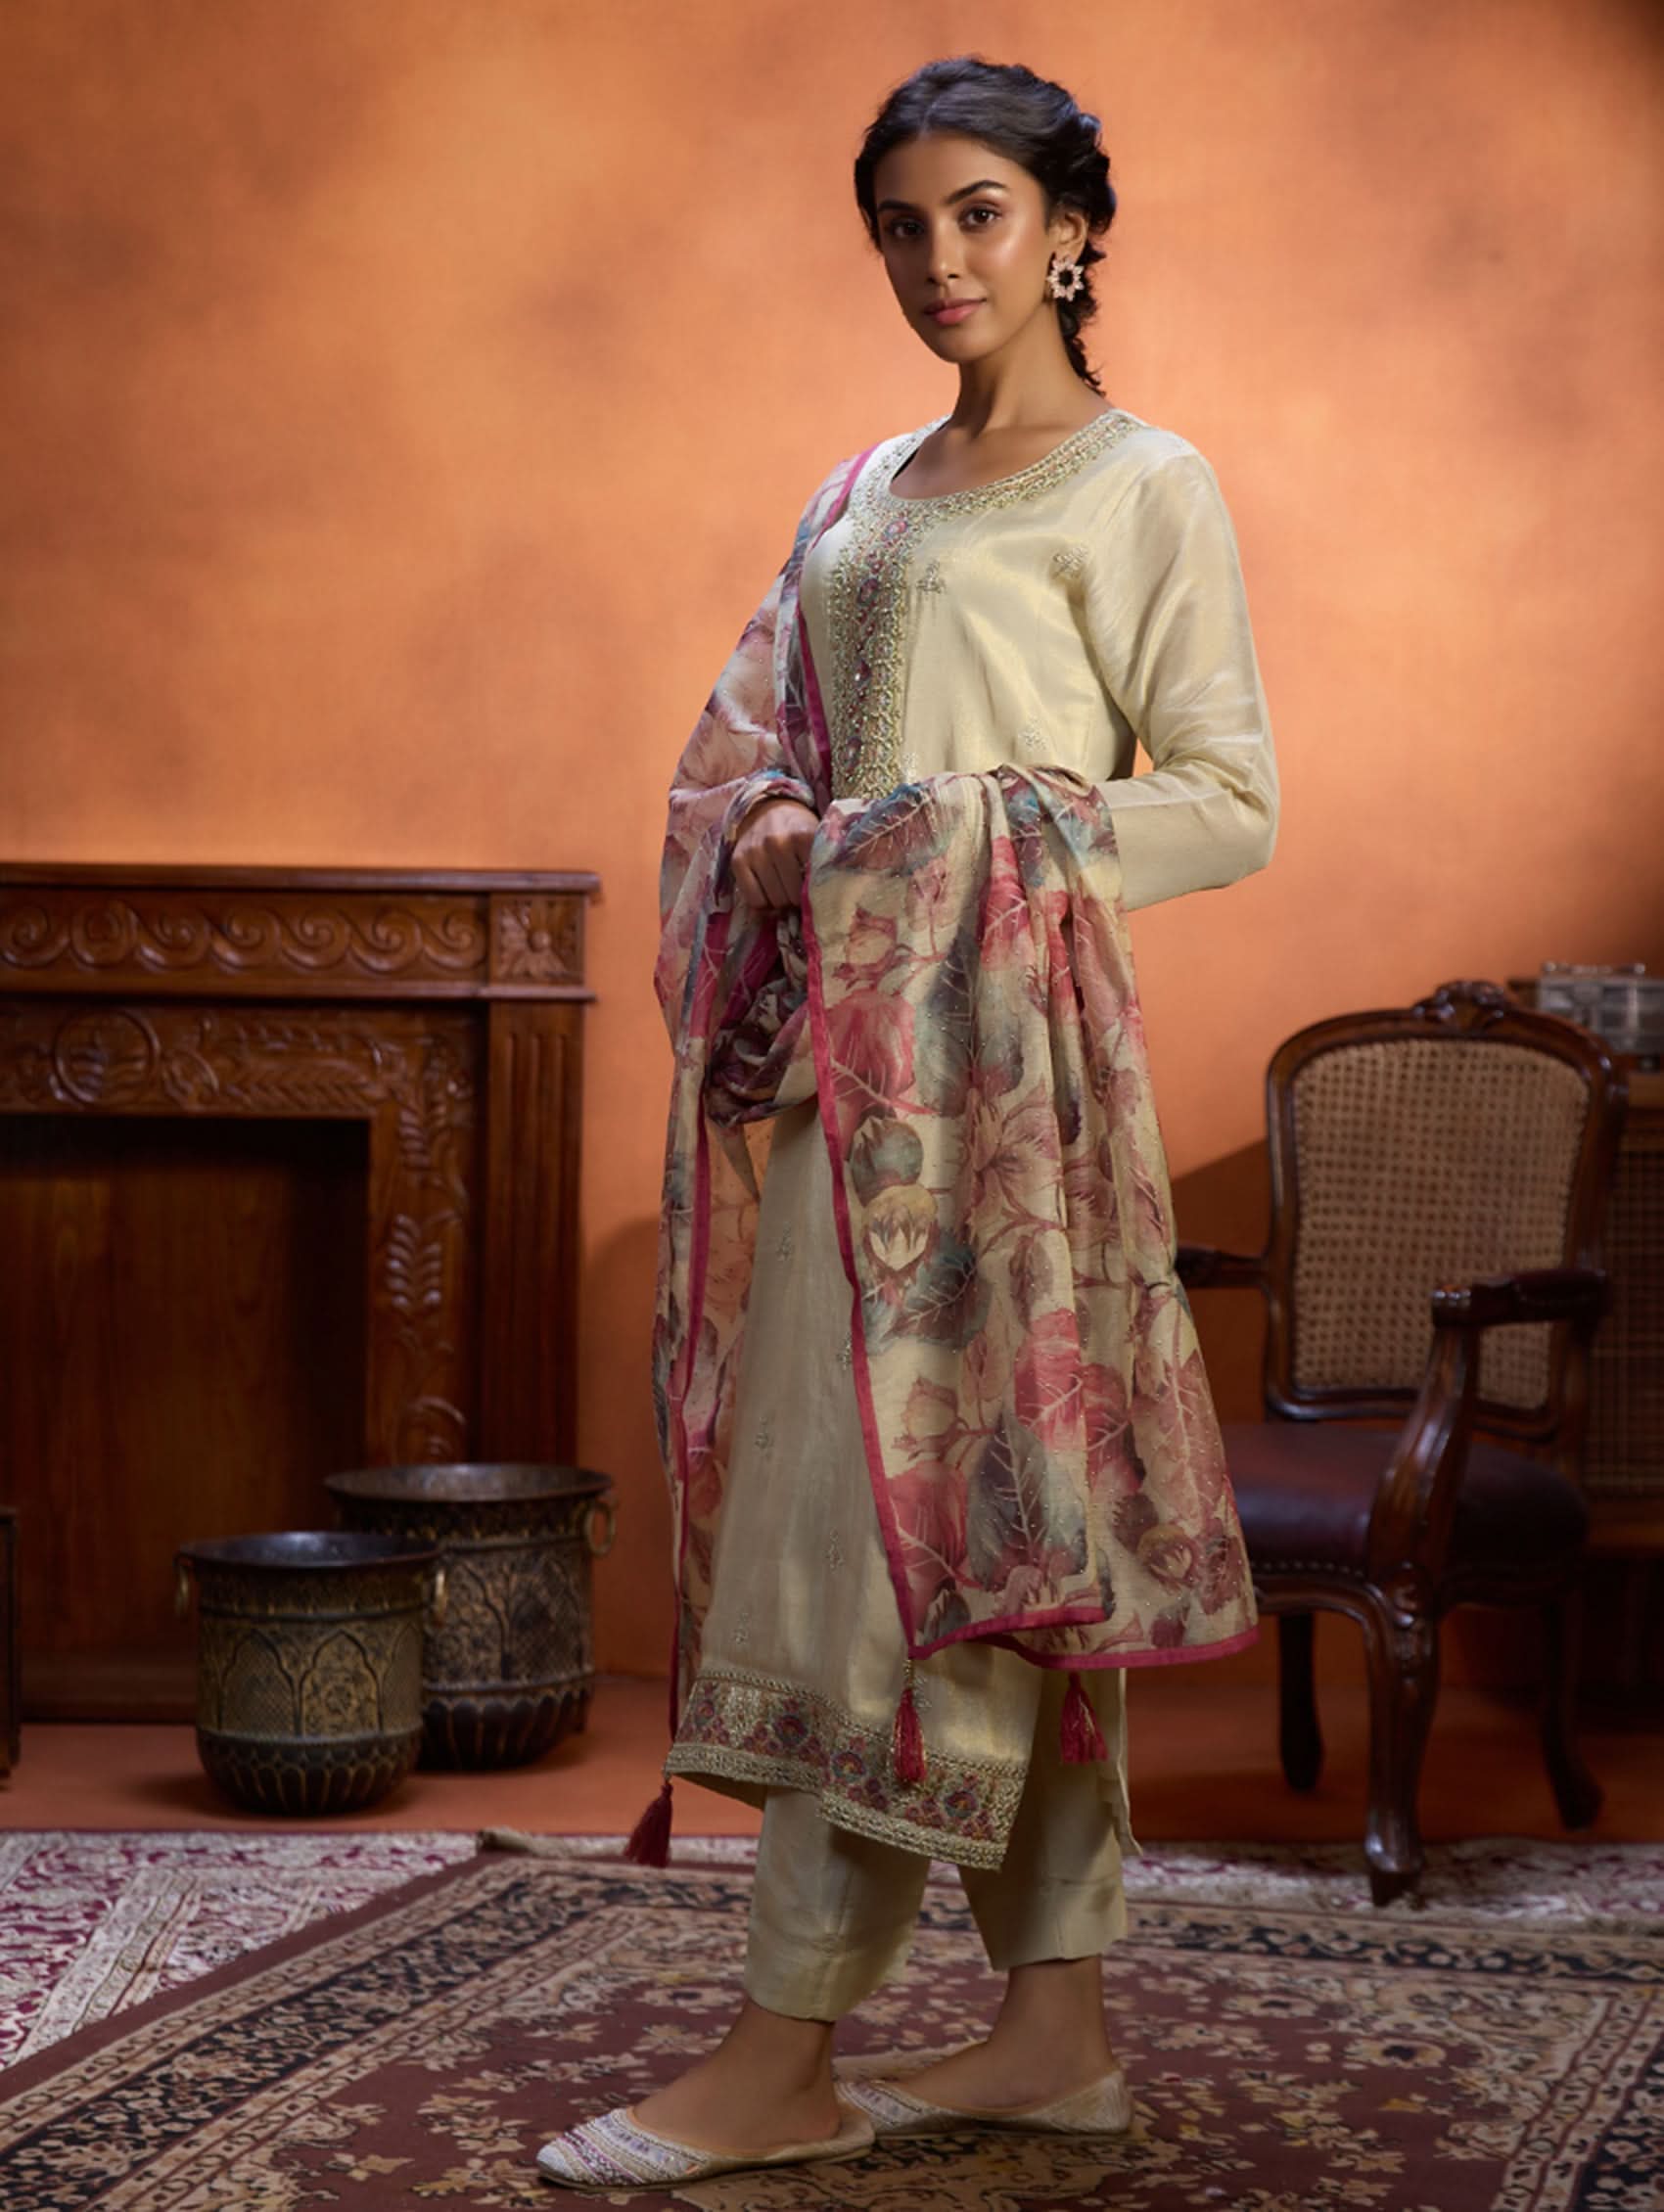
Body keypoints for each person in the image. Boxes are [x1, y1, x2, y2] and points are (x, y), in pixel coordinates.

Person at [536, 53, 1278, 2194]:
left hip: (1007, 1103)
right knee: (921, 1539)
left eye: (978, 213)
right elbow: (751, 752)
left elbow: (1227, 801)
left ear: (1069, 231)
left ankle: (785, 2048)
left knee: (916, 1550)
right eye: (899, 224)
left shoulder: (1144, 485)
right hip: (836, 1082)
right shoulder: (858, 494)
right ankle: (1055, 2031)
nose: (936, 259)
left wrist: (931, 834)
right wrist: (782, 814)